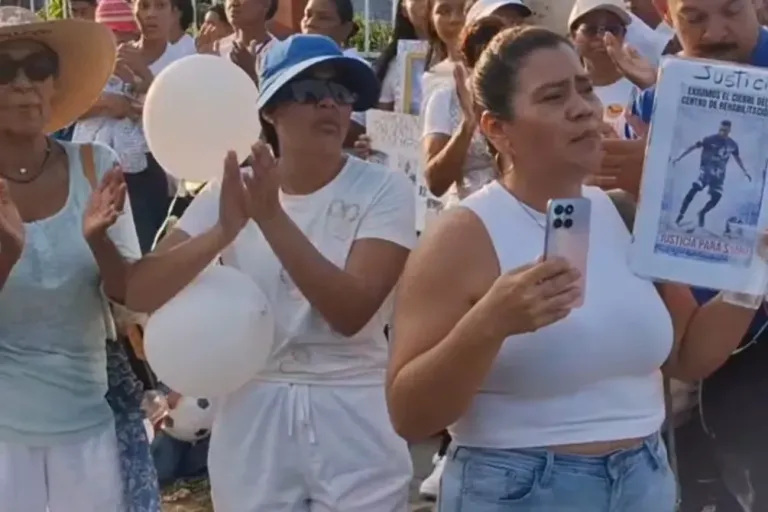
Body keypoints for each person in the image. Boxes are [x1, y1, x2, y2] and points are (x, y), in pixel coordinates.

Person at [387, 24, 760, 511]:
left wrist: (753, 267)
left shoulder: (626, 213)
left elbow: (689, 356)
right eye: (552, 96)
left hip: (644, 480)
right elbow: (409, 414)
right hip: (520, 489)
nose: (582, 107)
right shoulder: (465, 234)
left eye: (584, 88)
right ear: (496, 128)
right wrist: (488, 324)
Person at [125, 34, 415, 511]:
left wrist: (271, 218)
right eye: (307, 91)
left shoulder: (384, 189)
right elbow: (142, 288)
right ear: (270, 111)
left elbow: (353, 312)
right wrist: (223, 230)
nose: (329, 102)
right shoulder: (232, 188)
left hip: (352, 404)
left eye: (341, 92)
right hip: (252, 403)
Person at [0, 7, 145, 510]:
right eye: (5, 69)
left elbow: (128, 296)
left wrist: (99, 240)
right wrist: (6, 255)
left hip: (87, 425)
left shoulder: (95, 164)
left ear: (54, 83)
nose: (23, 84)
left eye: (38, 67)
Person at [569, 0, 653, 138]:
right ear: (573, 35)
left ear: (623, 34)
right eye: (591, 30)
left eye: (612, 29)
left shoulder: (645, 87)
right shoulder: (565, 93)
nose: (602, 37)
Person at [672, 120, 751, 230]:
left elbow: (737, 158)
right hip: (706, 172)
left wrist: (745, 171)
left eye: (725, 131)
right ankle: (680, 215)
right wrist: (679, 158)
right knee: (694, 189)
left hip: (719, 176)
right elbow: (693, 147)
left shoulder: (732, 144)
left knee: (716, 197)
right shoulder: (709, 139)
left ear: (729, 131)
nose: (722, 132)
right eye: (721, 130)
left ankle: (702, 213)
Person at [374, 0, 429, 111]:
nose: (428, 4)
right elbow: (383, 121)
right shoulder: (394, 65)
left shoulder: (468, 58)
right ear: (404, 9)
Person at [217, 0, 276, 81]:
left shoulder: (279, 55)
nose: (233, 3)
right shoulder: (216, 49)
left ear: (266, 3)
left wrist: (251, 74)